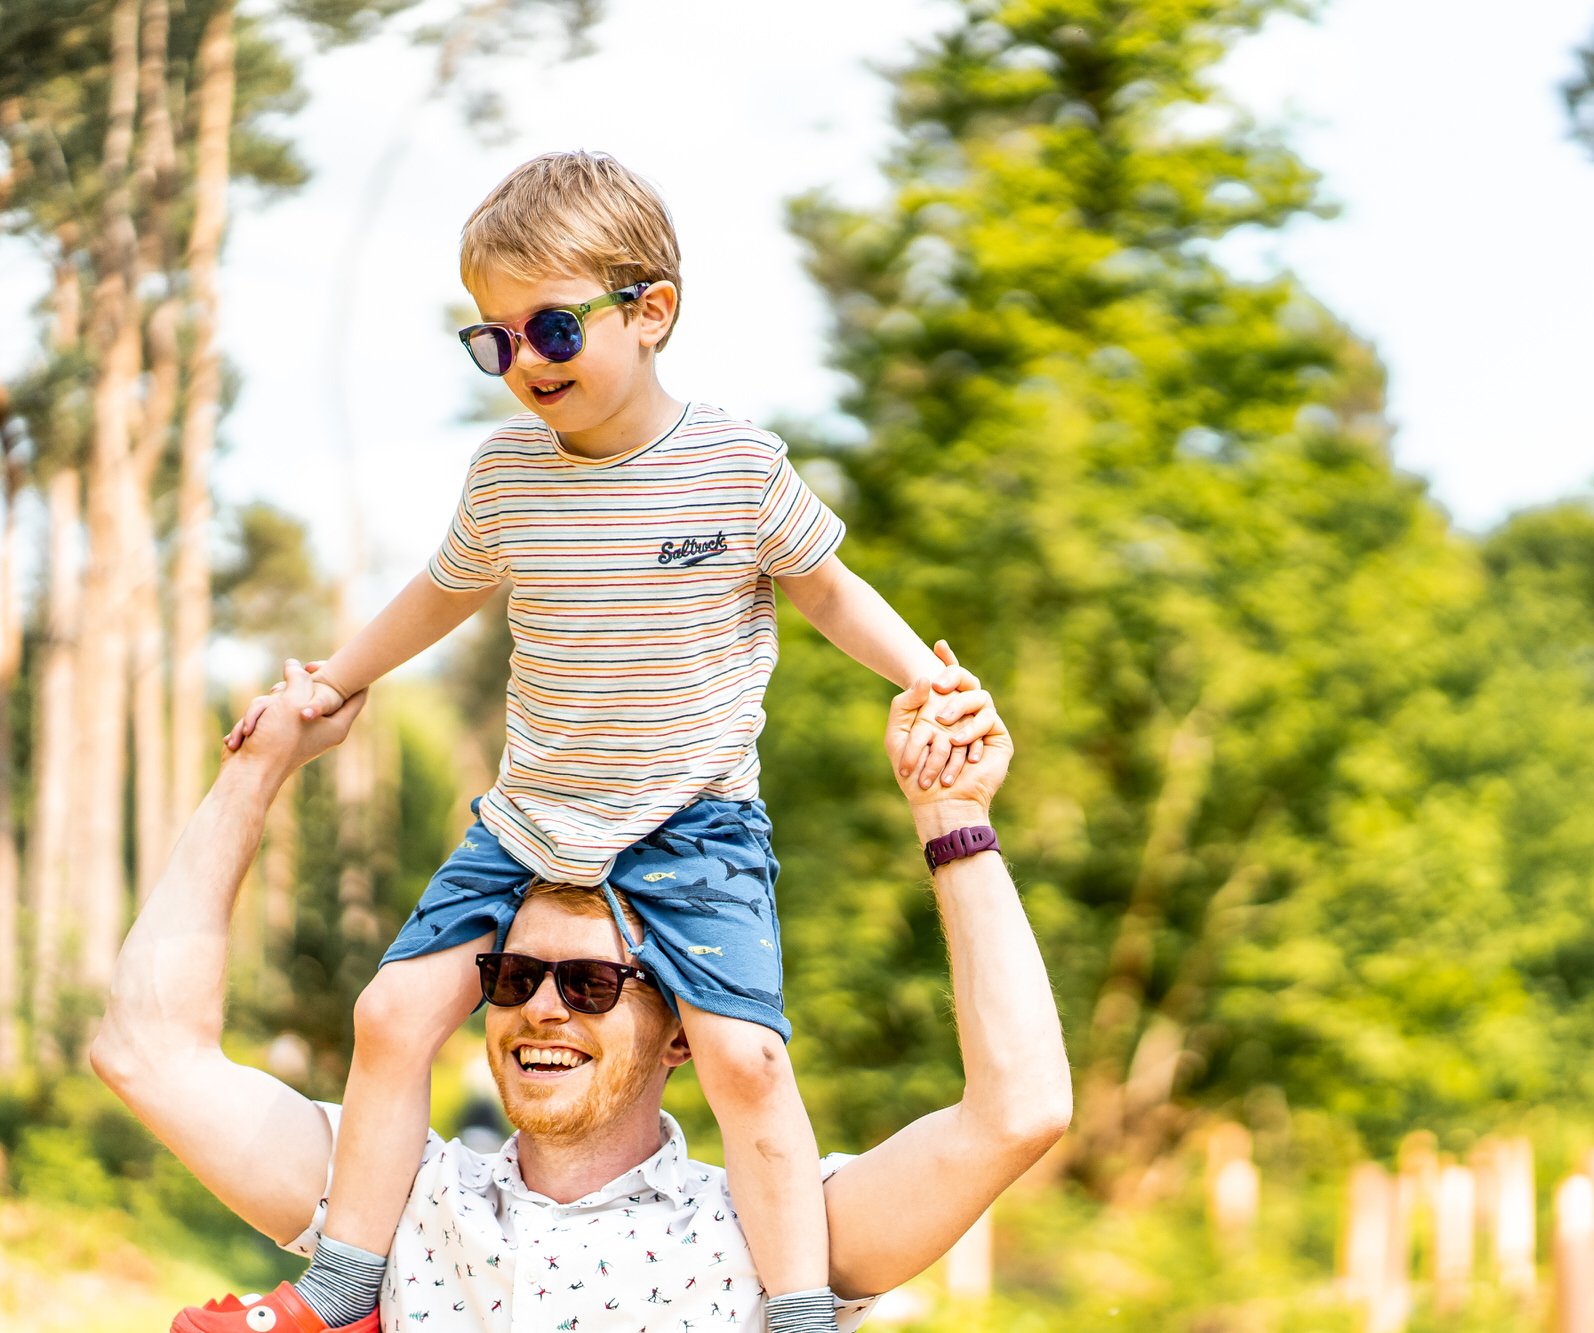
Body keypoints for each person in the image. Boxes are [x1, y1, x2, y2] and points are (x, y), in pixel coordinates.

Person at [205, 149, 1001, 1333]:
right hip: (530, 818)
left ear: (651, 311)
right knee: (389, 1015)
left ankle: (796, 1310)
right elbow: (437, 593)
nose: (524, 361)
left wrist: (931, 679)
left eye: (551, 329)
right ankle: (348, 1279)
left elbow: (828, 590)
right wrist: (334, 679)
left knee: (746, 1062)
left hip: (693, 826)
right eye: (494, 341)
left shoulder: (736, 466)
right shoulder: (504, 479)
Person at [93, 660, 1067, 1332]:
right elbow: (146, 1052)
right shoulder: (391, 1201)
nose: (541, 1008)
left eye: (592, 982)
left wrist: (953, 819)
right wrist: (255, 769)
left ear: (683, 1033)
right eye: (513, 977)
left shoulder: (780, 1236)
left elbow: (1019, 1110)